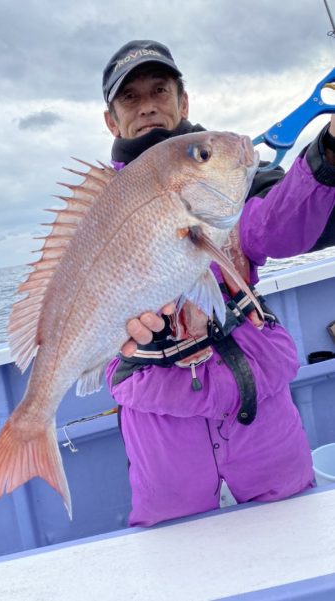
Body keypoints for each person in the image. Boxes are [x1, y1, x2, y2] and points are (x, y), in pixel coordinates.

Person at [102, 40, 335, 527]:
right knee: (180, 561)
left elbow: (275, 225)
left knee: (293, 538)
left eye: (160, 89)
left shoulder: (227, 172)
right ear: (111, 120)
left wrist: (328, 153)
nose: (147, 104)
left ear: (182, 103)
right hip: (162, 425)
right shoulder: (97, 209)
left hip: (258, 408)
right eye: (129, 97)